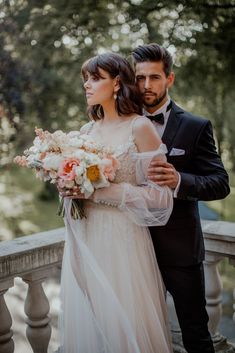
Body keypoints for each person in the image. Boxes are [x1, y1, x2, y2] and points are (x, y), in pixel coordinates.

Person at [58, 52, 174, 353]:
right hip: (86, 236)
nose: (87, 84)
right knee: (92, 321)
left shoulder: (139, 127)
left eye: (95, 78)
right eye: (86, 78)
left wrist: (99, 194)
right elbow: (77, 186)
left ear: (118, 83)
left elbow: (160, 196)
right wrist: (67, 186)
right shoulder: (86, 132)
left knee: (124, 323)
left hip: (123, 240)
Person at [131, 43, 230, 353]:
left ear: (169, 79)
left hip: (181, 252)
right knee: (141, 333)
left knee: (196, 334)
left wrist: (180, 181)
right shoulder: (120, 125)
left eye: (155, 77)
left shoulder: (196, 126)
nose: (146, 86)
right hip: (132, 247)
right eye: (140, 78)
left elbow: (220, 183)